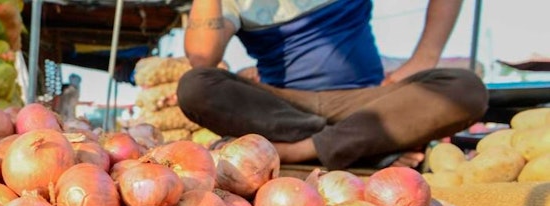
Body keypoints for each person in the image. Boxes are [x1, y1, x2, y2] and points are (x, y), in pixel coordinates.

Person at [176, 0, 489, 170]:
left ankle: (304, 150)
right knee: (196, 86)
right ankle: (364, 148)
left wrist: (425, 56)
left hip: (365, 103)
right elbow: (202, 58)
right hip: (283, 110)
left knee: (465, 88)